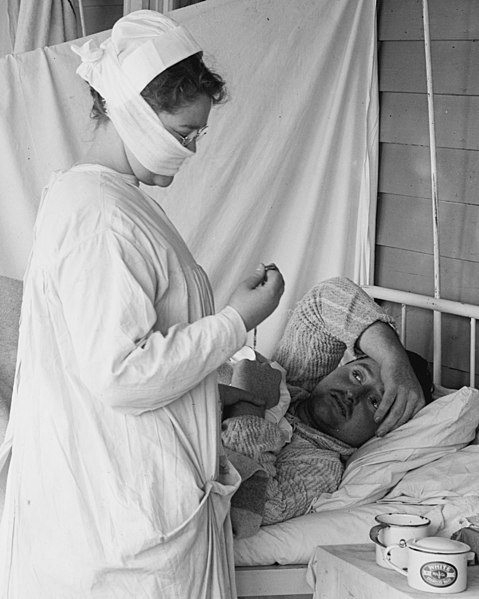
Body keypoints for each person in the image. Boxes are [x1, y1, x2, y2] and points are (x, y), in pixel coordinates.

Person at [0, 11, 284, 599]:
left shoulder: (111, 201)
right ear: (133, 111)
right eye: (185, 133)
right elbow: (122, 374)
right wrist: (237, 321)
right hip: (121, 528)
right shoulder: (99, 215)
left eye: (198, 135)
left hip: (134, 505)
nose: (193, 150)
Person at [219, 276, 431, 538]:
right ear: (344, 365)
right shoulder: (296, 380)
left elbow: (252, 510)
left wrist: (247, 402)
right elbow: (326, 298)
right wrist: (392, 359)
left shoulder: (320, 465)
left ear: (386, 427)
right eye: (357, 375)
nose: (352, 394)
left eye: (375, 401)